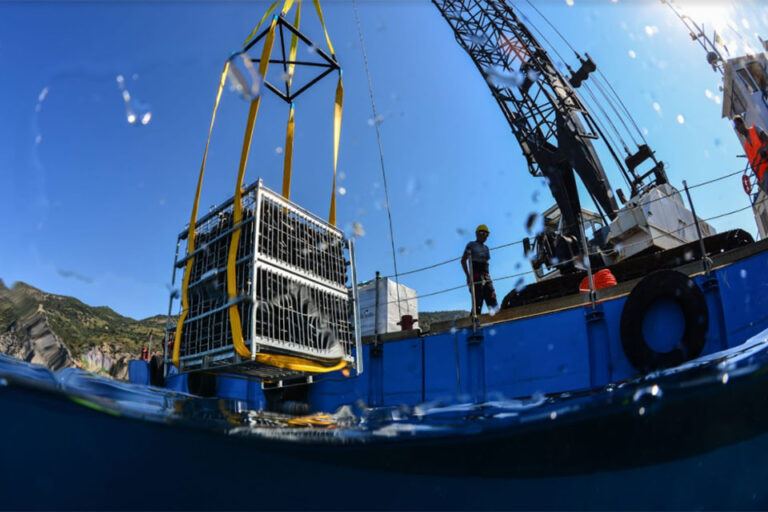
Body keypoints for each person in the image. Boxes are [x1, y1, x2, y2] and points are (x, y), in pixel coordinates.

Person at [461, 224, 499, 316]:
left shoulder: (486, 248)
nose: (484, 236)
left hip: (486, 276)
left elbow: (487, 264)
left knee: (492, 299)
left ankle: (498, 321)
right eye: (482, 233)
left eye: (487, 234)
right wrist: (468, 276)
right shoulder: (471, 245)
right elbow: (463, 260)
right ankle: (474, 323)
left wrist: (489, 278)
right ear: (477, 234)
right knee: (478, 301)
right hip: (476, 276)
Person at [733, 115, 768, 194]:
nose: (738, 129)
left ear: (743, 123)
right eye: (736, 128)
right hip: (764, 178)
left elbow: (766, 139)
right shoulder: (746, 148)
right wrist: (760, 182)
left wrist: (765, 151)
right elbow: (753, 166)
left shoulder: (755, 130)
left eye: (738, 125)